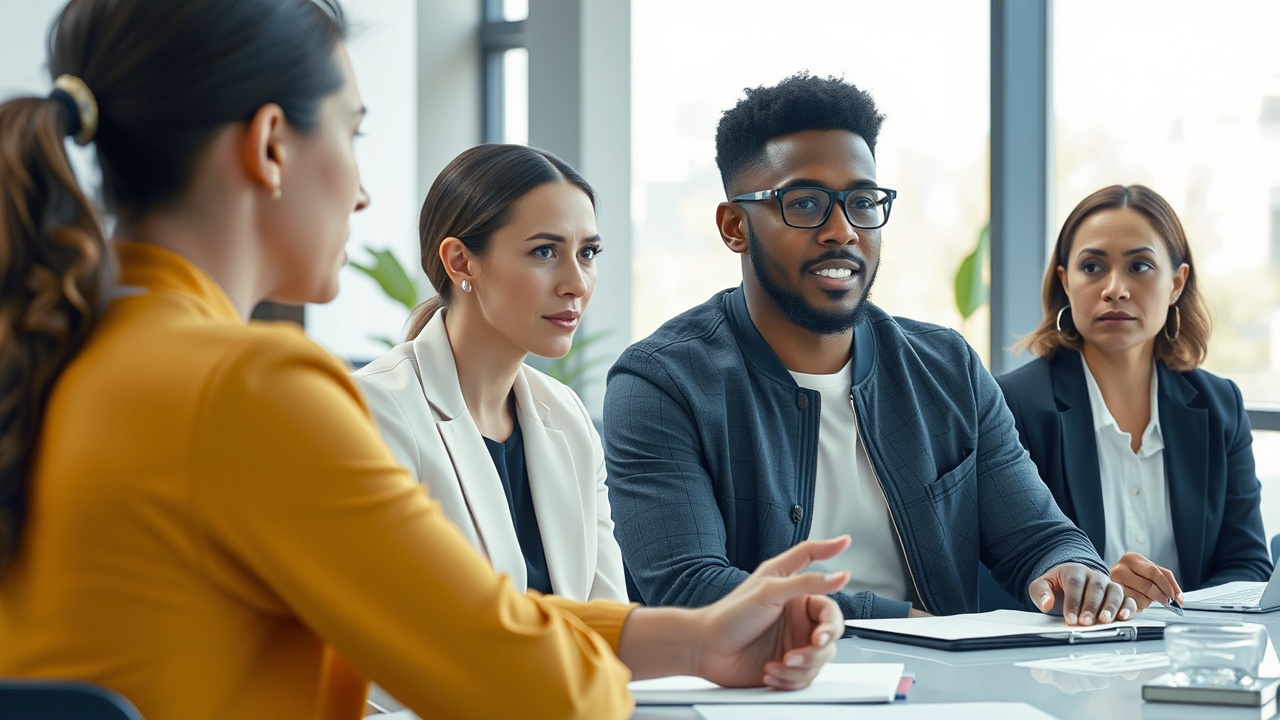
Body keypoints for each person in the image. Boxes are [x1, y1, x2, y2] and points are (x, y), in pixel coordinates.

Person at [0, 3, 851, 718]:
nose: (365, 191)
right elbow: (525, 687)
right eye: (352, 132)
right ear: (270, 147)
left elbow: (482, 623)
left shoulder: (72, 350)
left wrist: (699, 638)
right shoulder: (247, 387)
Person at [603, 72, 1136, 625]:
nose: (843, 230)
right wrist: (892, 621)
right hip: (757, 695)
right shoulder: (661, 383)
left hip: (940, 693)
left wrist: (1073, 570)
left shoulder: (947, 368)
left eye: (862, 202)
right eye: (805, 204)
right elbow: (689, 586)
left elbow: (1038, 538)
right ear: (735, 225)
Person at [353, 144, 625, 601]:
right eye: (544, 252)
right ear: (461, 261)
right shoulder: (375, 411)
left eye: (588, 253)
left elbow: (609, 622)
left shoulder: (568, 417)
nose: (576, 284)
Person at [995, 184, 1271, 610]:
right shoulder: (1015, 404)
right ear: (1066, 282)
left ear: (1176, 283)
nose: (1115, 289)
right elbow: (1007, 571)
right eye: (1092, 267)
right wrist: (1104, 592)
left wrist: (1180, 611)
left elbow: (1248, 564)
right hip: (1065, 662)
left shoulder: (1220, 406)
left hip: (1188, 656)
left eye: (1140, 266)